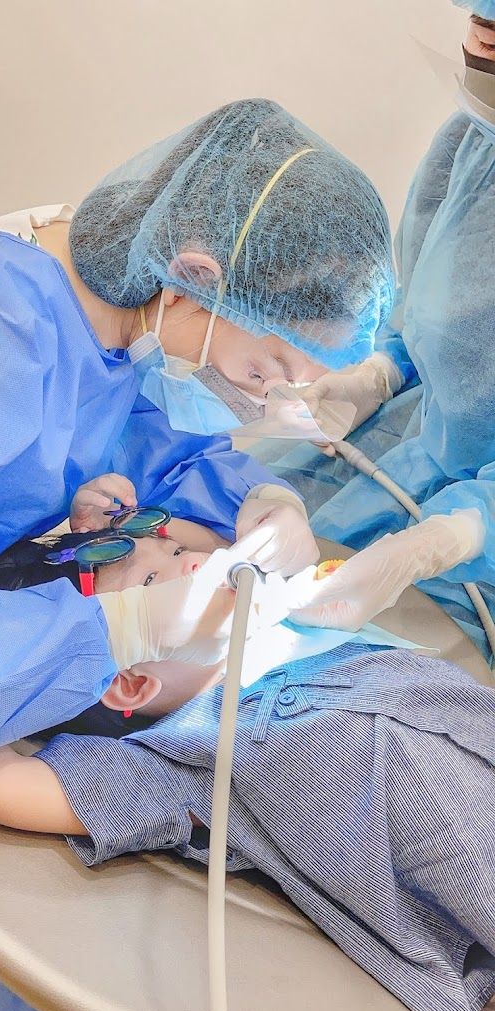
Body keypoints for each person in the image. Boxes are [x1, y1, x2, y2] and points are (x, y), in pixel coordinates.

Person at [0, 98, 395, 1011]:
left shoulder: (114, 323)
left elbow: (157, 451)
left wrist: (264, 502)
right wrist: (125, 627)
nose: (265, 398)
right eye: (268, 366)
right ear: (194, 281)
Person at [0, 641, 495, 1011]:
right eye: (166, 567)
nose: (205, 564)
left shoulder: (314, 644)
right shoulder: (185, 760)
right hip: (460, 967)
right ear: (130, 681)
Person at [268, 6, 495, 659]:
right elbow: (424, 304)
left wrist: (456, 537)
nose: (480, 25)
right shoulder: (471, 141)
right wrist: (380, 372)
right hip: (411, 443)